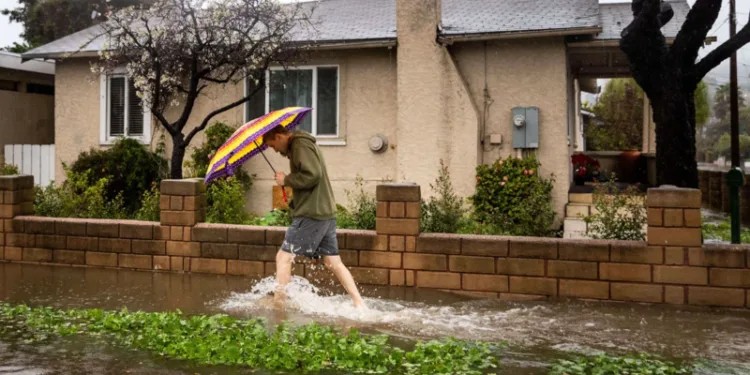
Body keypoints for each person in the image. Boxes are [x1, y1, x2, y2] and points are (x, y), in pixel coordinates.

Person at [262, 125, 366, 308]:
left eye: (272, 145)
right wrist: (294, 200)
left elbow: (313, 175)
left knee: (283, 257)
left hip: (312, 213)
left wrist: (286, 180)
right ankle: (359, 302)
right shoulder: (302, 145)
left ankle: (279, 304)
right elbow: (310, 179)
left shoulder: (299, 145)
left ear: (279, 137)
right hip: (324, 211)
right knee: (333, 261)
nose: (275, 150)